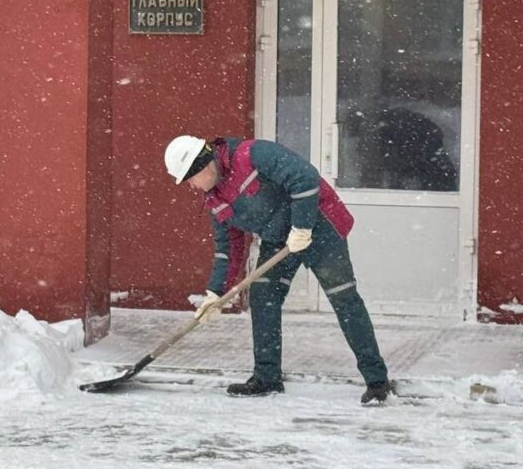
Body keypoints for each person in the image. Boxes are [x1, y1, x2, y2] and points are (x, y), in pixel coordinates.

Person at [164, 135, 393, 404]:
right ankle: (267, 377)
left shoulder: (252, 154)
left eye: (189, 179)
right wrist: (216, 294)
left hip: (319, 226)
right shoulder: (214, 198)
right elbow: (229, 248)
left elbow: (305, 178)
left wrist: (303, 226)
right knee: (263, 299)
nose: (191, 186)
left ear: (202, 167)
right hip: (278, 239)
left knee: (344, 298)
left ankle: (377, 382)